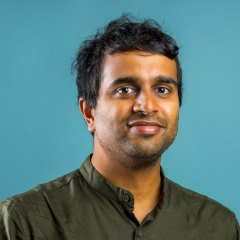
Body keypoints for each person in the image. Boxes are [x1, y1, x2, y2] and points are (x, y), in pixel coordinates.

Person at [0, 14, 239, 240]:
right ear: (88, 112)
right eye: (125, 90)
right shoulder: (24, 221)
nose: (147, 106)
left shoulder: (218, 226)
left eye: (162, 90)